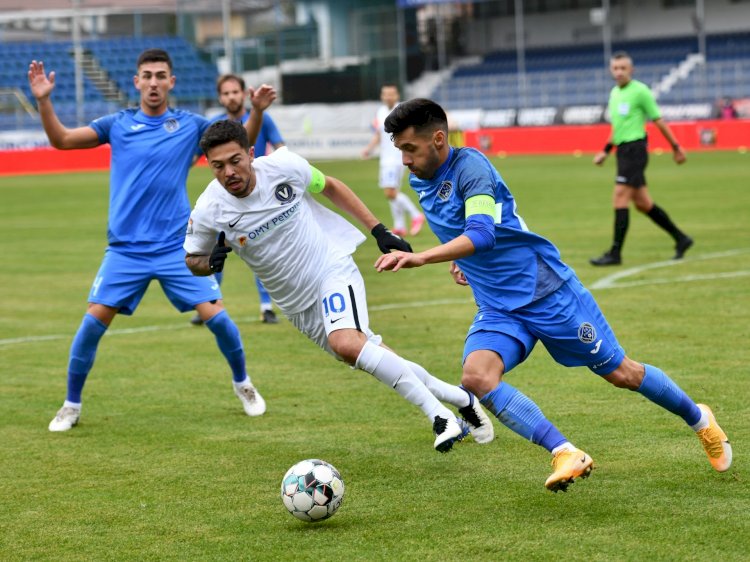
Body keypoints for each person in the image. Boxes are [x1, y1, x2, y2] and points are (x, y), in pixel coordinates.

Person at [376, 98, 732, 491]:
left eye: (410, 149)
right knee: (477, 377)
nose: (405, 161)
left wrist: (424, 257)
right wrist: (460, 260)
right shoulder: (420, 179)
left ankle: (700, 420)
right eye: (399, 151)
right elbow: (481, 228)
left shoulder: (471, 168)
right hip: (498, 306)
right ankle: (565, 452)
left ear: (439, 139)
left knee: (622, 373)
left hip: (546, 293)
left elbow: (481, 233)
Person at [184, 119, 495, 452]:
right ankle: (459, 397)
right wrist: (210, 262)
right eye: (218, 166)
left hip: (331, 268)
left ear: (249, 153)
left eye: (235, 161)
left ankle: (440, 417)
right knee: (368, 353)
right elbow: (194, 260)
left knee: (348, 343)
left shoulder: (283, 166)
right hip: (296, 305)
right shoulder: (208, 210)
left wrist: (379, 230)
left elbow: (329, 185)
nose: (229, 171)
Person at [29, 49, 271, 432]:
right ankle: (70, 405)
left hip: (177, 247)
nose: (154, 82)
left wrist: (255, 112)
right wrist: (44, 100)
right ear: (136, 81)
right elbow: (61, 140)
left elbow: (235, 149)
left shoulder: (191, 126)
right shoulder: (118, 124)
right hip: (125, 250)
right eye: (147, 75)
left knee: (220, 320)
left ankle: (243, 384)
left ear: (171, 82)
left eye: (161, 75)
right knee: (91, 326)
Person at [190, 73, 284, 326]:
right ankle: (210, 304)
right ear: (220, 97)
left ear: (243, 94)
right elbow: (197, 155)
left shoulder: (261, 118)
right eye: (226, 93)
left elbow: (281, 147)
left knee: (261, 253)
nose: (231, 97)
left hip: (260, 198)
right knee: (214, 251)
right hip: (227, 200)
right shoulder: (215, 126)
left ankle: (267, 307)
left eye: (235, 92)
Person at [590, 51, 693, 266]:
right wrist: (605, 151)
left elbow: (659, 120)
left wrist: (676, 147)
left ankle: (615, 253)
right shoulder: (614, 94)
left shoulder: (641, 92)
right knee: (643, 203)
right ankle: (681, 239)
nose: (618, 72)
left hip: (636, 151)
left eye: (623, 68)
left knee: (619, 197)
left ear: (631, 70)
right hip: (623, 152)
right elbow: (617, 128)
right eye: (615, 68)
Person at [361, 84, 425, 238]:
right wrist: (369, 149)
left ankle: (416, 215)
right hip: (385, 158)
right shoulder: (380, 111)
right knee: (392, 191)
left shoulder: (402, 111)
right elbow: (378, 134)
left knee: (390, 192)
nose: (388, 97)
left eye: (391, 94)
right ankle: (400, 226)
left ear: (396, 96)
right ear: (382, 96)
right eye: (385, 94)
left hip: (396, 158)